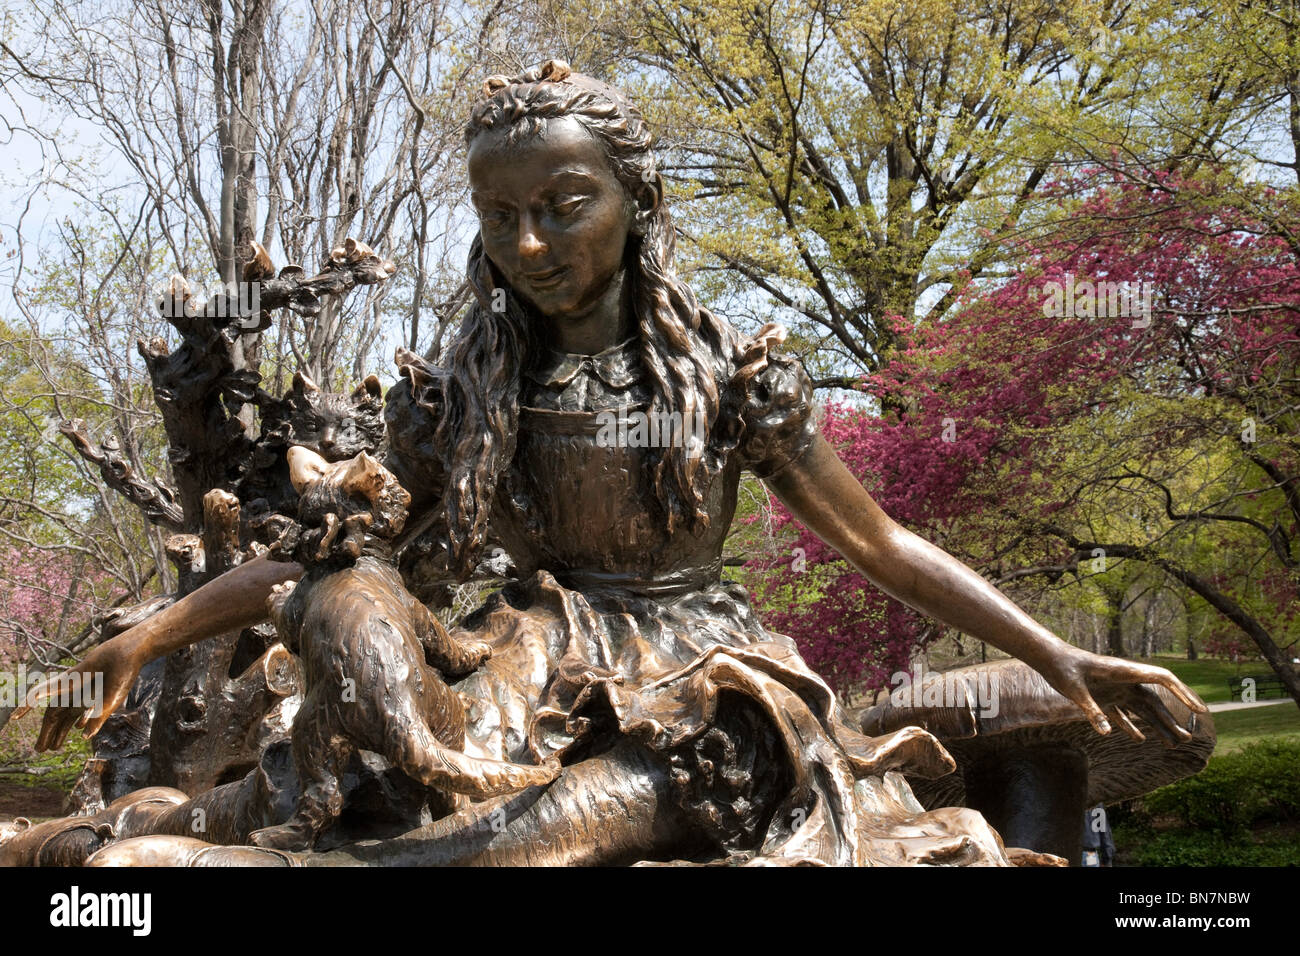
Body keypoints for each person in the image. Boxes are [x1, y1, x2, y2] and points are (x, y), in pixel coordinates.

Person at [16, 60, 1206, 867]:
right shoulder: (464, 392)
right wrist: (142, 636)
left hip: (702, 676)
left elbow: (881, 542)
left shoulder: (738, 381)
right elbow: (328, 557)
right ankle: (63, 853)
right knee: (315, 778)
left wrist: (1054, 648)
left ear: (633, 202)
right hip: (527, 659)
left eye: (563, 204)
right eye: (497, 215)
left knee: (524, 841)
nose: (527, 242)